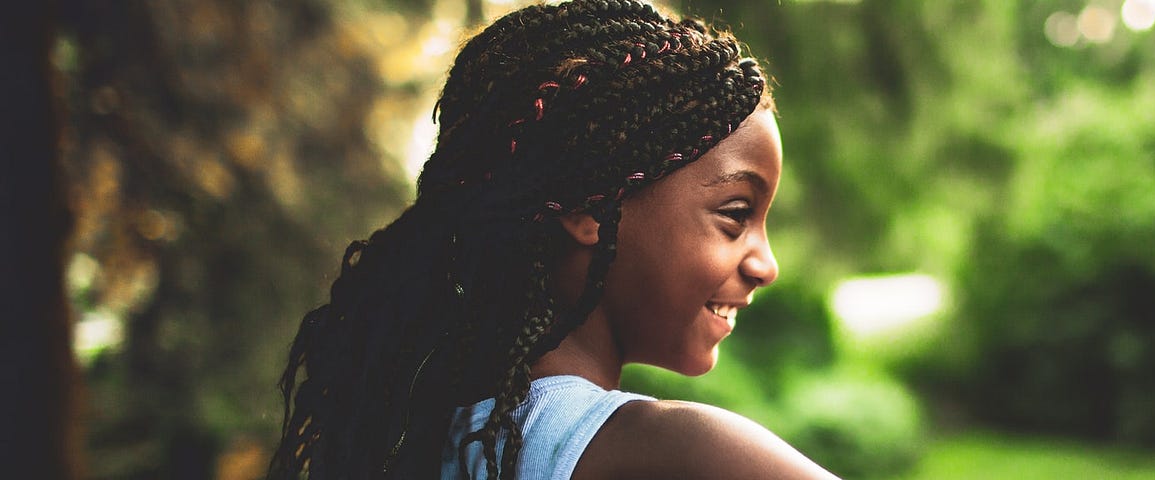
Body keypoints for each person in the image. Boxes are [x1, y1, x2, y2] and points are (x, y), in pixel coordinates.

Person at [268, 1, 837, 478]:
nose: (766, 264)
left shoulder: (436, 438)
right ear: (592, 202)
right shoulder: (682, 452)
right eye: (735, 215)